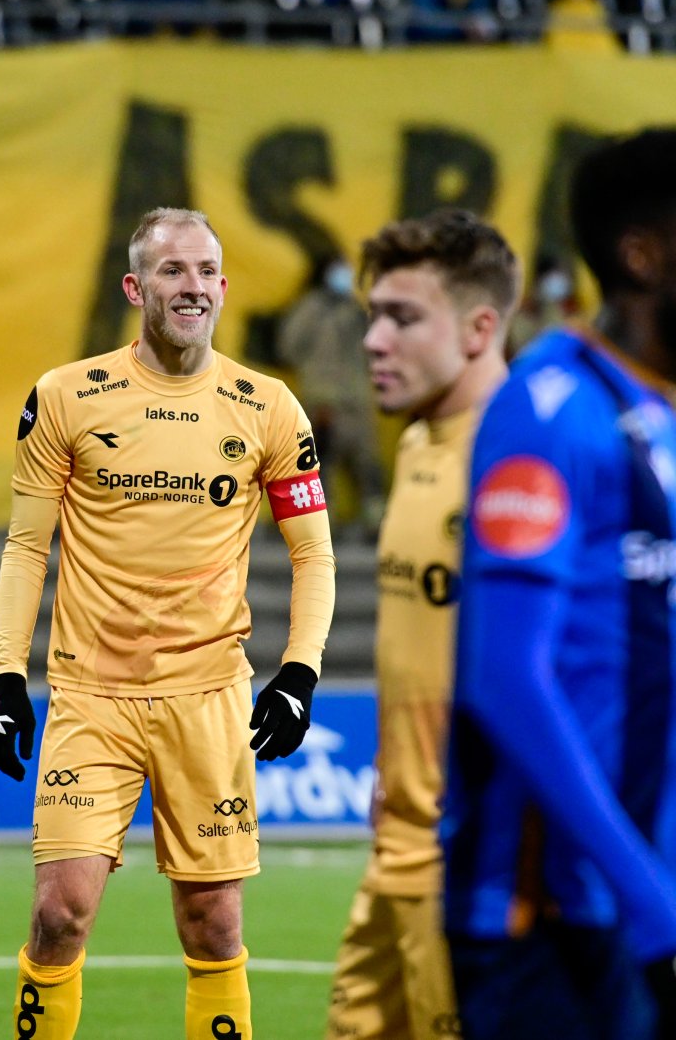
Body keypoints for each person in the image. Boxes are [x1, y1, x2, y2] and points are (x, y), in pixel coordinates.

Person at [0, 206, 336, 1040]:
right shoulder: (65, 396)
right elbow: (27, 549)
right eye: (175, 271)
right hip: (90, 696)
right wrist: (5, 678)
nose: (196, 287)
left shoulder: (269, 407)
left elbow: (314, 556)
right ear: (137, 287)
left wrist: (301, 672)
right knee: (61, 914)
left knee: (213, 923)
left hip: (208, 697)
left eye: (209, 271)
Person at [442, 127, 676, 1040]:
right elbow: (505, 676)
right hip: (552, 921)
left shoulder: (660, 410)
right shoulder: (554, 410)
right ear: (642, 252)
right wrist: (650, 902)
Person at [325, 208, 521, 1040]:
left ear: (480, 328)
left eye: (403, 318)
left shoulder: (520, 464)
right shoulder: (416, 447)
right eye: (374, 316)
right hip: (396, 843)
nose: (374, 340)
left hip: (470, 860)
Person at [276, 254, 385, 539]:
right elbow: (288, 346)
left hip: (357, 400)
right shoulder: (310, 309)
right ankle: (322, 525)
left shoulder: (355, 309)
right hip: (323, 400)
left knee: (367, 466)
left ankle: (375, 522)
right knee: (320, 464)